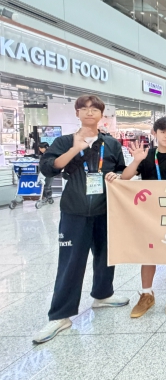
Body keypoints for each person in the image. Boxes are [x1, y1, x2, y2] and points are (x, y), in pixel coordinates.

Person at [34, 95, 129, 344]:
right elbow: (48, 168)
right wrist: (75, 149)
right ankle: (60, 315)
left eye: (94, 109)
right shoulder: (64, 141)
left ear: (101, 114)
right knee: (71, 262)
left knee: (106, 255)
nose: (89, 112)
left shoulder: (111, 143)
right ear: (77, 113)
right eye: (84, 109)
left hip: (106, 208)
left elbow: (121, 170)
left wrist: (118, 176)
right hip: (74, 209)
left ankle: (103, 294)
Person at [122, 117, 166, 317]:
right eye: (163, 132)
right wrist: (136, 160)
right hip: (149, 214)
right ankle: (146, 294)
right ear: (155, 133)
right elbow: (125, 178)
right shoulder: (146, 156)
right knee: (148, 253)